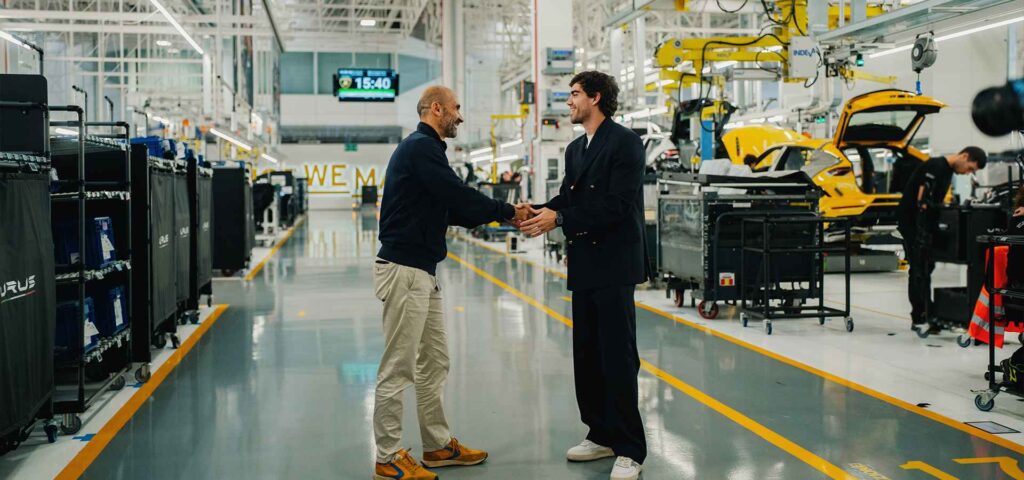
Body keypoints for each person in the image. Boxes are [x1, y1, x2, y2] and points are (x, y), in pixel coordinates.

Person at [372, 85, 530, 480]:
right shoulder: (421, 148)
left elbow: (450, 209)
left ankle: (437, 445)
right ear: (437, 108)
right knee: (398, 367)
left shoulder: (427, 152)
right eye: (456, 108)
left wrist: (501, 214)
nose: (460, 116)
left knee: (435, 361)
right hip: (405, 271)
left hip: (423, 271)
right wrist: (507, 210)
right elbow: (457, 196)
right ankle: (388, 455)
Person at [518, 71, 650, 480]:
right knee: (588, 355)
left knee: (618, 356)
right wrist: (539, 210)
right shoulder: (575, 149)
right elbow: (568, 199)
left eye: (574, 94)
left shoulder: (625, 143)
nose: (569, 102)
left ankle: (630, 447)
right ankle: (601, 433)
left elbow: (616, 205)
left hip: (614, 264)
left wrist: (560, 218)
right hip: (586, 266)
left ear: (595, 97)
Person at [897, 146, 987, 334]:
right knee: (919, 271)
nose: (967, 173)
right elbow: (922, 201)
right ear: (964, 156)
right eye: (970, 168)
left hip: (924, 225)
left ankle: (928, 313)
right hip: (914, 224)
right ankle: (919, 317)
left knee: (925, 269)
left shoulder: (946, 171)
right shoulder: (934, 166)